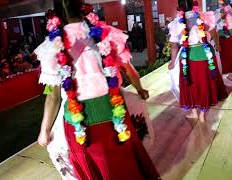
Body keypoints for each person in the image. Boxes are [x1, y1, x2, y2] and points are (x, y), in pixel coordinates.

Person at [35, 1, 159, 179]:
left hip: (80, 124)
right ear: (83, 7)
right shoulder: (106, 33)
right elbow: (128, 69)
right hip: (114, 114)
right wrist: (140, 89)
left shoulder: (51, 46)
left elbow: (52, 97)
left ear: (56, 15)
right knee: (125, 164)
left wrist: (44, 131)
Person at [168, 0, 227, 122]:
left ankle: (194, 112)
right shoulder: (204, 16)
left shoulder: (176, 22)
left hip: (189, 57)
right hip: (206, 55)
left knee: (190, 84)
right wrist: (217, 45)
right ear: (193, 5)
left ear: (179, 7)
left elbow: (174, 46)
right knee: (204, 83)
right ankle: (202, 115)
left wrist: (172, 62)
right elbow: (214, 32)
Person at [214, 0, 232, 85]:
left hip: (227, 36)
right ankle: (228, 76)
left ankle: (228, 76)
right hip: (230, 35)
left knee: (227, 56)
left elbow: (215, 24)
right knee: (229, 56)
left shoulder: (230, 10)